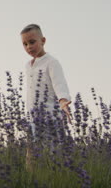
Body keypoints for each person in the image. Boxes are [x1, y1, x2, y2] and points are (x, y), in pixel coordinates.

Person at [20, 23, 72, 170]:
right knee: (31, 159)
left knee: (51, 156)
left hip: (49, 118)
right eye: (25, 44)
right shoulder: (28, 66)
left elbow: (59, 84)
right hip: (32, 119)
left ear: (43, 41)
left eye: (32, 42)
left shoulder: (51, 62)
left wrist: (63, 102)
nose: (29, 47)